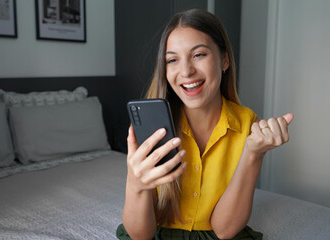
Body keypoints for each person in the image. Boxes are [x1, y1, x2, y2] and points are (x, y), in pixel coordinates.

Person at [117, 8, 293, 240]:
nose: (186, 71)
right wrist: (136, 183)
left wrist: (253, 154)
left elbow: (224, 230)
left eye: (199, 55)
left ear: (224, 60)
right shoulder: (151, 126)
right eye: (172, 60)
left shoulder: (248, 126)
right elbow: (140, 235)